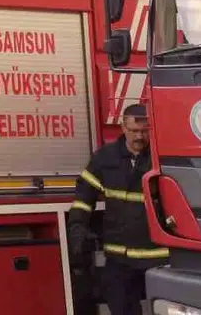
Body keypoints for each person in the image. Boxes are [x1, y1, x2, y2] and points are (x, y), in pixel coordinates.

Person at [68, 102, 167, 315]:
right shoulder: (105, 158)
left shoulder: (162, 158)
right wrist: (77, 227)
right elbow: (84, 196)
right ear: (123, 127)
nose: (139, 137)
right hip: (119, 257)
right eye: (134, 131)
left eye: (144, 131)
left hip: (157, 257)